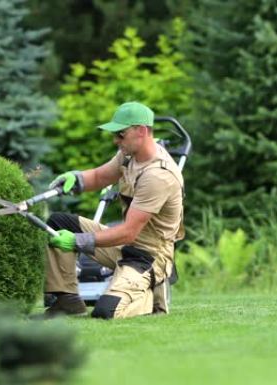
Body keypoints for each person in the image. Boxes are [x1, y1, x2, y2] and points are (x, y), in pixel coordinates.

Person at [43, 101, 185, 319]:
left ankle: (149, 294)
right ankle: (67, 301)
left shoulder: (158, 175)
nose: (115, 140)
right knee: (58, 222)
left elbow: (129, 232)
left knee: (105, 311)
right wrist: (77, 178)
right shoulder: (129, 155)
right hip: (125, 244)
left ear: (142, 131)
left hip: (148, 257)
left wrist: (76, 241)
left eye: (120, 134)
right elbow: (100, 176)